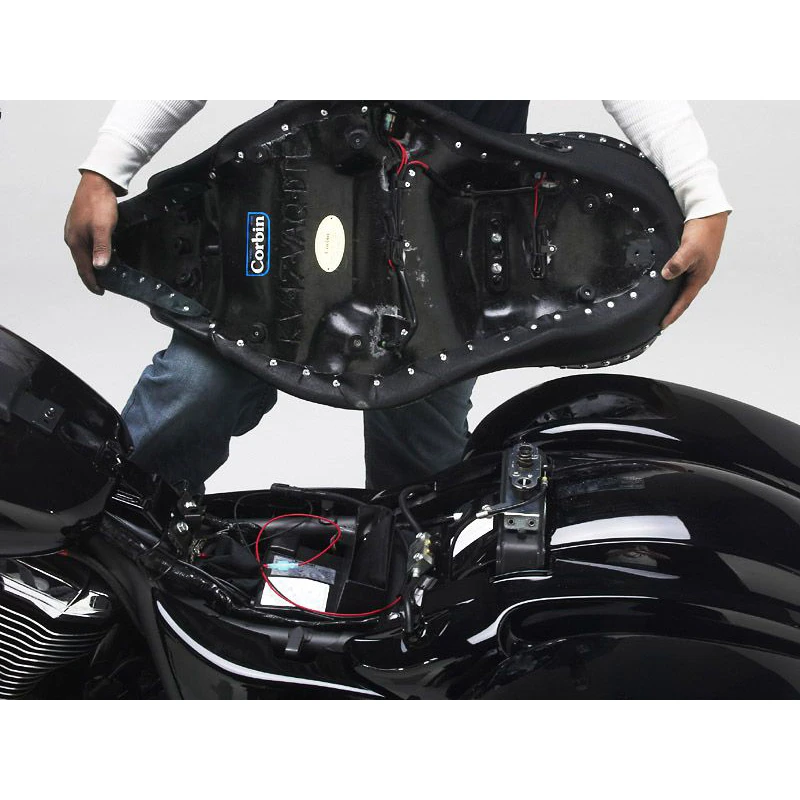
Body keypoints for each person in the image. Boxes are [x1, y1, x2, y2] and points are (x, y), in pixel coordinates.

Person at [64, 100, 731, 493]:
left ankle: (390, 646)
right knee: (194, 391)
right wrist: (106, 167)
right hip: (297, 213)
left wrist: (702, 195)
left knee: (420, 494)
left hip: (447, 269)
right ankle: (87, 561)